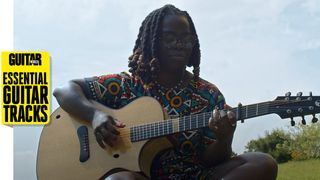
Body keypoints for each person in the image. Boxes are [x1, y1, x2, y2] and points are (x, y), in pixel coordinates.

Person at [53, 4, 278, 180]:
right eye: (170, 38)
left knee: (262, 164)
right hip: (141, 177)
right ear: (151, 42)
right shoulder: (125, 85)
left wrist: (224, 136)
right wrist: (95, 116)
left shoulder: (208, 94)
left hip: (196, 176)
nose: (180, 44)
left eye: (186, 39)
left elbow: (214, 161)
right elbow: (64, 90)